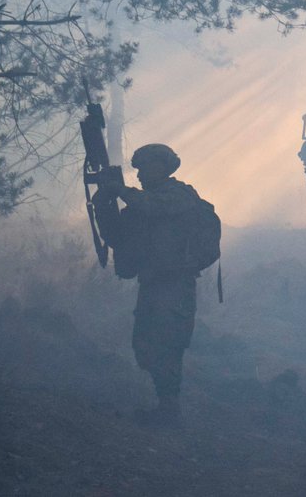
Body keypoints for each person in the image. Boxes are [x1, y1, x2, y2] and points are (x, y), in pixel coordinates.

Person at [94, 143, 211, 427]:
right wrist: (103, 203)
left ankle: (170, 410)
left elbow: (155, 207)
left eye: (145, 167)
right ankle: (165, 405)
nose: (141, 174)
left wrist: (120, 190)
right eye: (139, 169)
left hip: (174, 286)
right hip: (153, 284)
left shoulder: (180, 195)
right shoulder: (143, 203)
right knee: (145, 345)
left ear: (163, 166)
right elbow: (119, 236)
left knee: (167, 345)